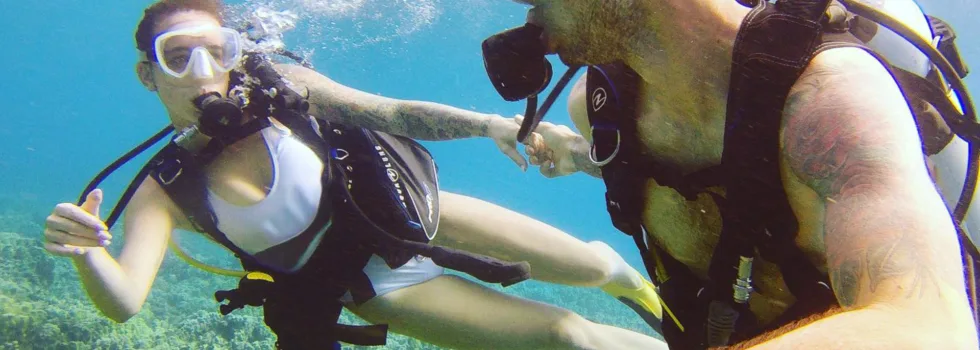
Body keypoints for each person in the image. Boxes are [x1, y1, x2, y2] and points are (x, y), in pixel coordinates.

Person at [40, 1, 669, 349]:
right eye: (177, 57)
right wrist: (87, 253)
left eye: (218, 50)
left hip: (422, 213)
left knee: (598, 266)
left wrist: (489, 124)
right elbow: (124, 302)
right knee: (567, 336)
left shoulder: (284, 89)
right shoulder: (166, 186)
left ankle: (658, 303)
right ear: (148, 74)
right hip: (374, 286)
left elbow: (389, 113)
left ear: (238, 52)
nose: (203, 71)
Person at [480, 0, 980, 348]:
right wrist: (583, 157)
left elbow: (930, 328)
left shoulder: (830, 99)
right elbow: (702, 188)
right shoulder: (597, 109)